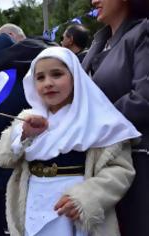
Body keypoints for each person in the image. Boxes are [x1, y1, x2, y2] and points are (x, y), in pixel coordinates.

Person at [0, 47, 141, 236]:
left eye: (57, 74)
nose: (48, 83)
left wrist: (86, 198)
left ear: (74, 77)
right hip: (34, 207)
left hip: (74, 213)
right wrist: (23, 135)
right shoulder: (27, 118)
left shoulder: (100, 119)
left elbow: (121, 171)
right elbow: (2, 158)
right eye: (40, 77)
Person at [0, 24, 57, 236]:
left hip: (9, 170)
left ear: (11, 37)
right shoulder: (24, 64)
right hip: (4, 162)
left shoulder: (17, 70)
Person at [82, 1, 149, 235]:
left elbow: (144, 99)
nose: (93, 2)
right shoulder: (98, 42)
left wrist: (91, 122)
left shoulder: (143, 32)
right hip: (98, 165)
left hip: (137, 164)